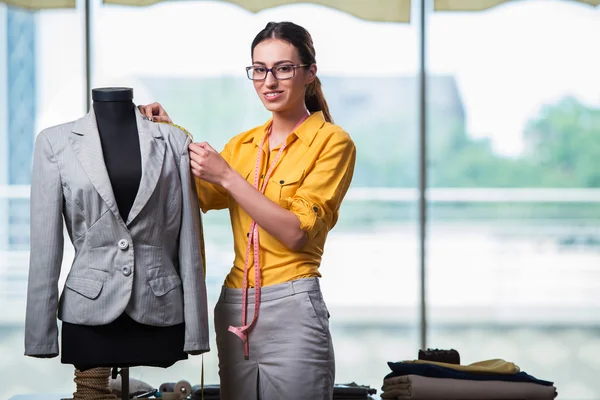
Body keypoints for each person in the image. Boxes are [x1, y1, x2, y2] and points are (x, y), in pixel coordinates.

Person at [139, 21, 356, 400]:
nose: (269, 81)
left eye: (283, 68)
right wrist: (170, 131)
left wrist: (228, 176)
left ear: (309, 73)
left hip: (292, 310)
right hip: (234, 306)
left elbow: (296, 233)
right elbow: (201, 194)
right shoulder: (244, 145)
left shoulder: (332, 142)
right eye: (259, 69)